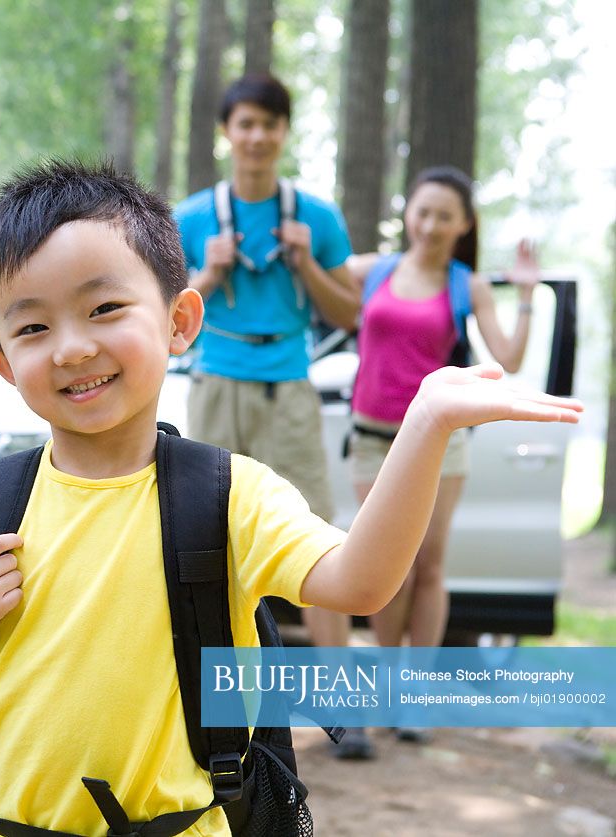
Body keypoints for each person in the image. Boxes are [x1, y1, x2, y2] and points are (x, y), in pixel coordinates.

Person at [0, 159, 580, 836]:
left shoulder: (229, 495)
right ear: (3, 363)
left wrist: (424, 424)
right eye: (33, 326)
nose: (72, 347)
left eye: (103, 308)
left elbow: (361, 582)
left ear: (179, 321)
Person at [172, 74, 372, 757]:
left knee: (316, 536)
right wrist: (206, 273)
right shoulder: (191, 217)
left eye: (269, 124)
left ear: (284, 132)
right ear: (226, 132)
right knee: (205, 538)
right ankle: (217, 705)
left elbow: (349, 313)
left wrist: (305, 262)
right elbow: (160, 317)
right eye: (245, 123)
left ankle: (344, 711)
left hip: (287, 385)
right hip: (216, 379)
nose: (256, 136)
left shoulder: (314, 216)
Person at [345, 166, 541, 742]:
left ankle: (416, 698)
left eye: (444, 216)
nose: (430, 225)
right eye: (423, 211)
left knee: (429, 566)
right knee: (388, 571)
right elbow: (316, 282)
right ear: (409, 213)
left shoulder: (466, 285)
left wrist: (526, 296)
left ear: (464, 225)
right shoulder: (371, 271)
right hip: (372, 439)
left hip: (442, 440)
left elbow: (509, 355)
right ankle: (385, 686)